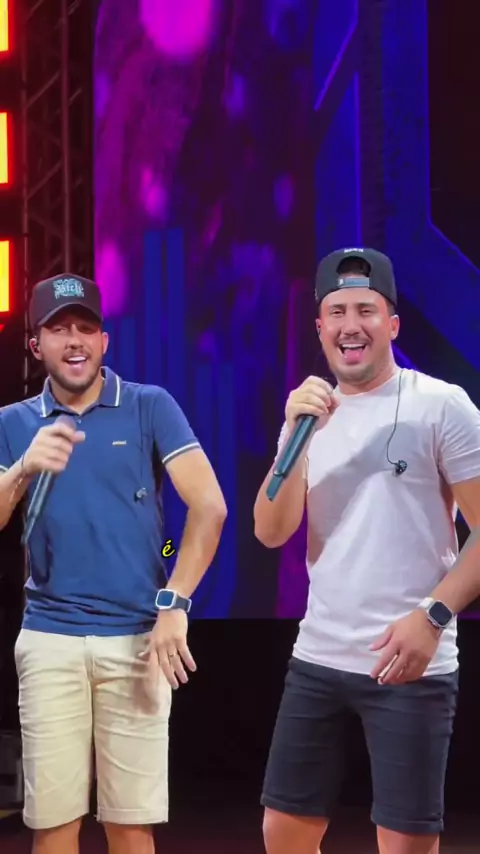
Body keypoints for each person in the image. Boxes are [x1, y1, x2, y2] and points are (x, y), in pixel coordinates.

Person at [254, 247, 480, 854]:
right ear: (320, 327)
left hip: (410, 662)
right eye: (337, 312)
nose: (350, 325)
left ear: (392, 324)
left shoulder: (441, 405)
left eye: (366, 310)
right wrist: (295, 437)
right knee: (283, 832)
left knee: (404, 843)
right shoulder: (309, 416)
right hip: (319, 655)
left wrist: (432, 616)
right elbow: (270, 531)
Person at [0, 273, 227, 854]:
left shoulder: (150, 406)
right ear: (36, 345)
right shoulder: (13, 423)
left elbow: (209, 506)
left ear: (104, 341)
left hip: (138, 641)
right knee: (53, 825)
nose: (74, 340)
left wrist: (174, 602)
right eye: (59, 330)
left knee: (130, 825)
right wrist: (22, 468)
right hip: (49, 639)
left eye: (86, 328)